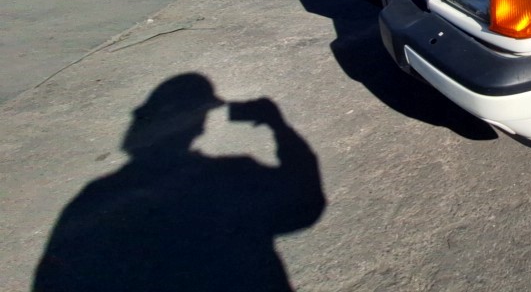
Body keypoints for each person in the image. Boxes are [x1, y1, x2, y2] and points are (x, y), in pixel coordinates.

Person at [32, 74, 326, 292]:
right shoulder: (230, 177)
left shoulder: (97, 198)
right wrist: (279, 127)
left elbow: (53, 279)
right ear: (198, 124)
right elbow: (306, 202)